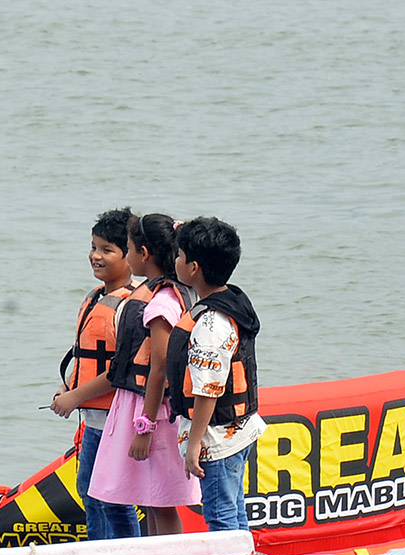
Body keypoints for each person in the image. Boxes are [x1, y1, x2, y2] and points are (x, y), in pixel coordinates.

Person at [78, 213, 199, 536]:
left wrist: (144, 427)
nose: (129, 257)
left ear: (143, 254)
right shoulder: (159, 293)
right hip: (145, 409)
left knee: (161, 501)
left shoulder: (161, 302)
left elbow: (159, 366)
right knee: (149, 499)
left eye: (128, 249)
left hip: (154, 414)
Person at [168, 217, 266, 532]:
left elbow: (208, 390)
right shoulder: (233, 303)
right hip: (240, 431)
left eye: (179, 256)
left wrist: (194, 444)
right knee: (234, 513)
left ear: (193, 267)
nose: (176, 261)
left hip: (217, 438)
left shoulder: (209, 325)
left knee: (221, 517)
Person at [49, 208, 140, 541]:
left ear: (130, 256)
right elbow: (88, 356)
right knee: (88, 490)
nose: (95, 256)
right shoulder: (94, 298)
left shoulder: (130, 306)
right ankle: (97, 554)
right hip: (94, 420)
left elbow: (121, 370)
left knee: (113, 498)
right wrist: (68, 386)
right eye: (93, 247)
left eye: (106, 250)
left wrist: (75, 397)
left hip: (116, 420)